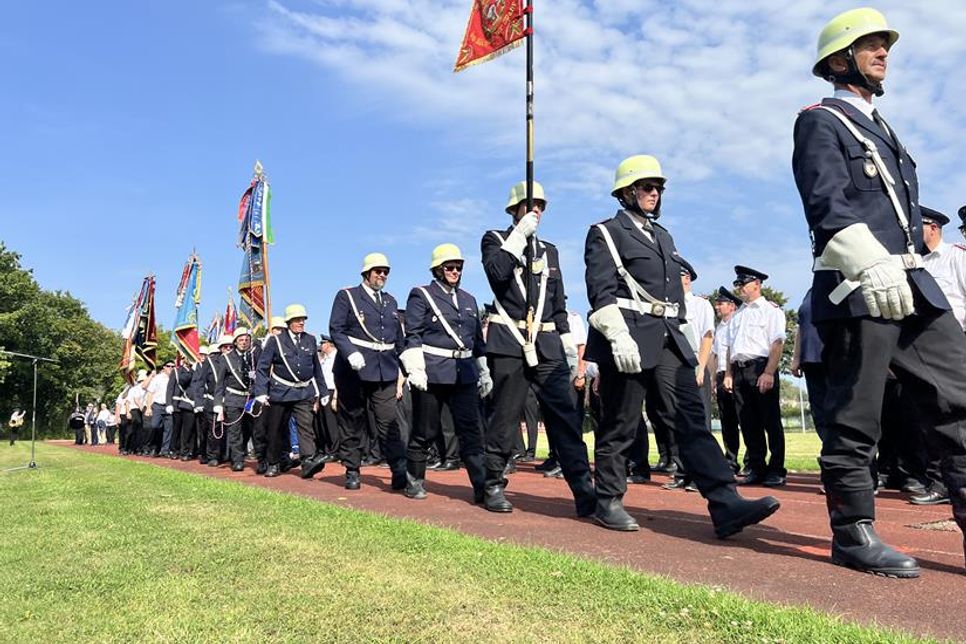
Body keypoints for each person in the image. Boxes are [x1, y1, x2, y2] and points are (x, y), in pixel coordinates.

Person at [792, 7, 966, 576]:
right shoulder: (821, 120)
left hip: (914, 282)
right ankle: (853, 533)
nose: (883, 52)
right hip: (859, 283)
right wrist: (868, 261)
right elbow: (826, 205)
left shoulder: (884, 129)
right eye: (869, 45)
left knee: (958, 396)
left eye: (884, 45)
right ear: (838, 60)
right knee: (855, 417)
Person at [584, 154, 779, 535]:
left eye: (658, 188)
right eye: (647, 187)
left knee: (692, 422)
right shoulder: (605, 232)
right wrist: (617, 334)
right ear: (626, 191)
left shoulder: (664, 236)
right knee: (621, 424)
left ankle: (725, 503)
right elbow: (601, 291)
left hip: (669, 338)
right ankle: (607, 500)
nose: (654, 193)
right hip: (627, 338)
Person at [480, 180, 596, 517]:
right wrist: (518, 235)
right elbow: (498, 273)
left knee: (566, 419)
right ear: (514, 209)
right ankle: (492, 484)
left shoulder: (550, 250)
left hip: (546, 346)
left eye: (541, 206)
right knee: (505, 416)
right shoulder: (495, 239)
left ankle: (583, 490)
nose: (537, 211)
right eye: (530, 205)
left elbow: (557, 304)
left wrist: (564, 342)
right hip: (510, 342)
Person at [399, 243, 490, 501]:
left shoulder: (469, 300)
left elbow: (477, 342)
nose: (455, 271)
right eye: (450, 267)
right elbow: (413, 333)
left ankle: (481, 486)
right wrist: (415, 367)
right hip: (433, 371)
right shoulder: (421, 294)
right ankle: (414, 480)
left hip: (464, 373)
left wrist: (483, 370)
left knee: (471, 430)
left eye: (459, 267)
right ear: (437, 269)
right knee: (425, 430)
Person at [329, 254, 407, 491]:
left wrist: (409, 362)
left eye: (385, 271)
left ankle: (398, 469)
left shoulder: (391, 302)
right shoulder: (348, 296)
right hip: (354, 370)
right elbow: (336, 329)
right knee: (352, 421)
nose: (382, 275)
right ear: (366, 273)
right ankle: (352, 469)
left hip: (384, 370)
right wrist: (350, 352)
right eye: (377, 270)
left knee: (389, 421)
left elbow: (398, 337)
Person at [906, 206, 966, 505]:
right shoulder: (916, 265)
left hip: (956, 345)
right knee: (929, 419)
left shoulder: (956, 257)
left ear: (933, 228)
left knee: (956, 419)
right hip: (925, 350)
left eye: (918, 225)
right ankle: (940, 483)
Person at [723, 266, 787, 487]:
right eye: (738, 284)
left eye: (743, 284)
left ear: (757, 284)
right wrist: (729, 373)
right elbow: (730, 347)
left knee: (770, 421)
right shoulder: (738, 314)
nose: (739, 288)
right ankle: (757, 468)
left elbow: (777, 342)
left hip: (761, 367)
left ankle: (776, 469)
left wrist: (769, 372)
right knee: (748, 423)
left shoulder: (771, 310)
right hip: (740, 370)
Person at [254, 305, 329, 478]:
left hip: (304, 391)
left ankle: (308, 461)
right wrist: (261, 391)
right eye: (297, 320)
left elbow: (316, 368)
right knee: (276, 429)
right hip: (281, 391)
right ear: (289, 322)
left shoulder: (310, 340)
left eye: (303, 319)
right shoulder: (276, 340)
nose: (301, 322)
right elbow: (263, 367)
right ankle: (274, 462)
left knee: (305, 426)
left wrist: (323, 392)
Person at [215, 327, 264, 473]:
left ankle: (261, 460)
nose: (244, 342)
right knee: (235, 432)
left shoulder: (254, 357)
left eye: (246, 340)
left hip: (251, 398)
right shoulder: (226, 358)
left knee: (255, 431)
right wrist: (218, 403)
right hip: (233, 398)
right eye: (241, 340)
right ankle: (237, 460)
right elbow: (220, 383)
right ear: (235, 342)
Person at [712, 286, 743, 472]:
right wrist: (714, 380)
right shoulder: (719, 328)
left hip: (736, 373)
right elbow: (715, 355)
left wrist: (730, 375)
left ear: (731, 306)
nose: (717, 307)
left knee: (746, 419)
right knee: (728, 421)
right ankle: (731, 460)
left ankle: (752, 460)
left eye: (720, 303)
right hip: (722, 374)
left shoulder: (738, 322)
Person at [145, 361, 175, 456]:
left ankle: (165, 450)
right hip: (158, 405)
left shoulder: (175, 378)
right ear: (164, 367)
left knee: (168, 429)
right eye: (168, 366)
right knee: (155, 426)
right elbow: (150, 392)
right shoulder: (157, 378)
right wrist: (149, 408)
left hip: (169, 406)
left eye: (172, 366)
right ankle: (154, 447)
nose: (170, 368)